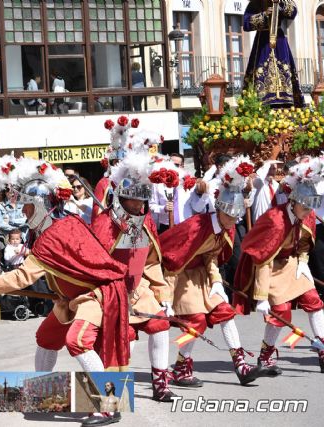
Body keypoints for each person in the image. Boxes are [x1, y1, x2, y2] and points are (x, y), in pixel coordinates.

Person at [0, 159, 128, 426]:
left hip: (96, 295)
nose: (22, 212)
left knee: (77, 340)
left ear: (39, 205)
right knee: (47, 337)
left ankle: (108, 406)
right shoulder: (61, 226)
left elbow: (21, 277)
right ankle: (39, 394)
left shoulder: (56, 234)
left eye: (26, 206)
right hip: (70, 299)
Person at [161, 156, 263, 387]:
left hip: (204, 276)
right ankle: (180, 367)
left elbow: (211, 256)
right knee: (196, 320)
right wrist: (165, 298)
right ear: (219, 210)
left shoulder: (225, 229)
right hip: (179, 276)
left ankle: (240, 365)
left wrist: (216, 281)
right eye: (229, 216)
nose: (233, 222)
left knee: (225, 312)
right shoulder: (197, 227)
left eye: (236, 217)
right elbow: (171, 263)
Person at [91, 151, 176, 402]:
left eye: (142, 202)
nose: (139, 207)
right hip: (110, 294)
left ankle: (160, 383)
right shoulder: (104, 224)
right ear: (121, 199)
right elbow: (93, 265)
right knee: (121, 342)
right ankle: (109, 396)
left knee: (160, 326)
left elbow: (150, 262)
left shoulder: (146, 220)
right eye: (134, 202)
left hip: (139, 291)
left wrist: (164, 295)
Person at [234, 156, 324, 375]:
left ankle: (322, 349)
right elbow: (262, 259)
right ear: (293, 202)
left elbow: (304, 243)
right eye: (304, 207)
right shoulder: (275, 220)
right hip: (269, 267)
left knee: (314, 301)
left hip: (291, 264)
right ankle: (265, 355)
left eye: (310, 207)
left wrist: (303, 262)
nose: (307, 212)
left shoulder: (308, 215)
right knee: (281, 312)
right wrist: (262, 296)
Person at [244, 0, 303, 107]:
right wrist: (264, 15)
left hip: (279, 40)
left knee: (284, 70)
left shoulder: (282, 1)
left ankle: (286, 101)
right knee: (261, 69)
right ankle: (261, 101)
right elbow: (246, 23)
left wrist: (281, 4)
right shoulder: (255, 3)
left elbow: (293, 12)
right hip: (262, 42)